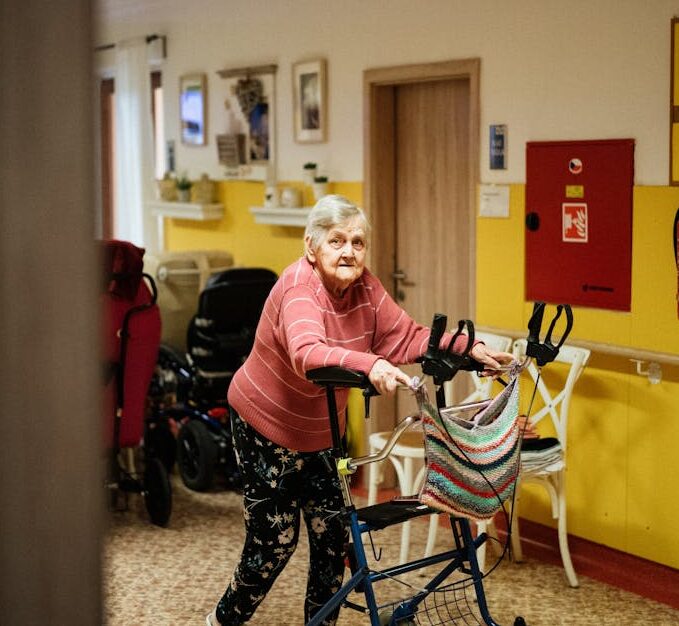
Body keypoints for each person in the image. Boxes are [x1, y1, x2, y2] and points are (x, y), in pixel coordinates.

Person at [206, 195, 513, 626]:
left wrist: (468, 348)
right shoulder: (298, 288)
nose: (349, 251)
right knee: (273, 543)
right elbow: (307, 354)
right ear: (311, 246)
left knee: (333, 538)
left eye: (357, 241)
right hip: (265, 425)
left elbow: (403, 336)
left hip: (321, 430)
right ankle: (223, 621)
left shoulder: (365, 287)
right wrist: (372, 365)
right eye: (336, 241)